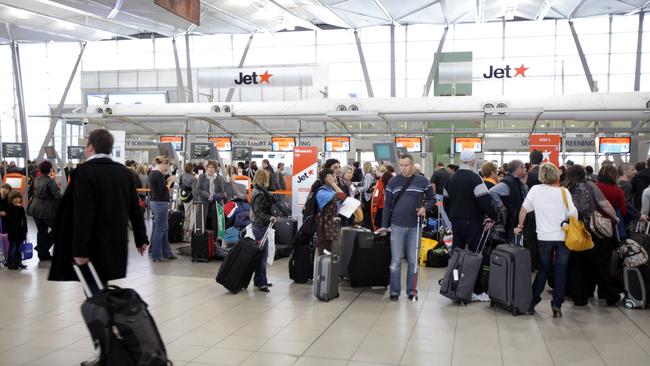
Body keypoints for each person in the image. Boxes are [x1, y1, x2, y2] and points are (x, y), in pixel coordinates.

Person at [49, 129, 149, 284]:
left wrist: (80, 250)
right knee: (101, 289)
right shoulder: (124, 173)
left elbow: (82, 214)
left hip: (92, 245)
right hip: (116, 243)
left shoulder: (83, 173)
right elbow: (135, 209)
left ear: (90, 148)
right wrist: (141, 238)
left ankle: (108, 308)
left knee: (95, 293)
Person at [514, 163, 577, 318]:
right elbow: (573, 214)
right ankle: (557, 305)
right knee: (561, 271)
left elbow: (523, 209)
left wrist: (519, 226)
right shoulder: (564, 192)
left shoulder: (535, 190)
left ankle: (533, 301)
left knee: (543, 268)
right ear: (556, 175)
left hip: (544, 237)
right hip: (563, 237)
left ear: (542, 176)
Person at [378, 154, 435, 302]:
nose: (403, 168)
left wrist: (425, 207)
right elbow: (386, 207)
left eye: (406, 165)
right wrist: (384, 226)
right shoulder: (393, 182)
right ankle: (394, 291)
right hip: (397, 226)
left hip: (415, 226)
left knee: (413, 261)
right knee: (396, 261)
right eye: (401, 165)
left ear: (412, 165)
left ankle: (411, 291)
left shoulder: (423, 181)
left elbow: (432, 198)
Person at [562, 165, 620, 307]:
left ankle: (579, 297)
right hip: (592, 230)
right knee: (598, 264)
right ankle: (610, 295)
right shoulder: (590, 186)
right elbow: (604, 204)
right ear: (583, 174)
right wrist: (615, 218)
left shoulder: (564, 189)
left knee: (576, 265)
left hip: (573, 231)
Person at [443, 151, 497, 253]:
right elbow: (485, 200)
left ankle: (456, 269)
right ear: (473, 161)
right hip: (473, 222)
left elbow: (445, 201)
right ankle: (474, 270)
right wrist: (493, 216)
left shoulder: (450, 179)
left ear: (460, 161)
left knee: (457, 252)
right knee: (475, 253)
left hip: (456, 220)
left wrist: (451, 216)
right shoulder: (475, 178)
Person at [27, 161, 62, 261]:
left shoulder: (35, 180)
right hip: (46, 211)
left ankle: (43, 255)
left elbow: (30, 193)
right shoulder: (50, 182)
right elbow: (57, 196)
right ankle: (42, 249)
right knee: (58, 229)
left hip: (34, 209)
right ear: (50, 170)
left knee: (41, 231)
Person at [489, 160, 528, 243]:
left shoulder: (516, 181)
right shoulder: (508, 182)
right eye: (523, 168)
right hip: (511, 220)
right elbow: (492, 191)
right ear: (518, 169)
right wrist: (501, 206)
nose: (525, 170)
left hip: (515, 218)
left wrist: (524, 184)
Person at [148, 156, 176, 262]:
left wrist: (166, 180)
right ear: (163, 163)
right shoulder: (158, 174)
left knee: (161, 228)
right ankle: (156, 255)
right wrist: (169, 182)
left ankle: (166, 253)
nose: (168, 167)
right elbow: (162, 191)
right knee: (160, 229)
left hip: (155, 202)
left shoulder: (152, 172)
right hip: (160, 203)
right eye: (167, 165)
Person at [251, 169, 274, 292]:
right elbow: (258, 211)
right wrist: (269, 217)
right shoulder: (260, 193)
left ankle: (258, 280)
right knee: (262, 256)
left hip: (259, 226)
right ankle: (262, 283)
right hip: (260, 226)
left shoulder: (257, 191)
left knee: (260, 255)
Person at [316, 168, 346, 255]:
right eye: (333, 176)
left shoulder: (330, 190)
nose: (336, 178)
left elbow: (343, 198)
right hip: (324, 230)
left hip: (331, 228)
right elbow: (342, 196)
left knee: (331, 255)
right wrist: (333, 183)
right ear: (327, 178)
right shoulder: (322, 192)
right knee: (324, 255)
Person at [596, 164, 627, 239]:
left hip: (594, 222)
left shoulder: (593, 186)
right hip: (610, 224)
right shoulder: (618, 190)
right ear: (615, 176)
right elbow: (623, 212)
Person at [194, 160, 226, 231]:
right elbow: (198, 190)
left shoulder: (219, 178)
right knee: (201, 224)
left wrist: (214, 196)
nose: (211, 169)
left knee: (215, 226)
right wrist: (208, 195)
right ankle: (201, 239)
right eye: (209, 167)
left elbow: (222, 193)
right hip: (203, 203)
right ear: (206, 168)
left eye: (213, 167)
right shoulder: (202, 177)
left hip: (216, 205)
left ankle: (215, 240)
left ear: (215, 169)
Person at [5, 190, 27, 270]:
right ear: (11, 199)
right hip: (13, 231)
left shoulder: (21, 208)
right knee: (13, 248)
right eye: (15, 198)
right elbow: (11, 219)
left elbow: (24, 220)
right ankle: (11, 263)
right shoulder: (9, 208)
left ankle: (19, 262)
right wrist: (16, 208)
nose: (17, 199)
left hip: (21, 232)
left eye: (18, 198)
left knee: (19, 248)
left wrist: (25, 230)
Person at [179, 162, 197, 242]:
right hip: (191, 198)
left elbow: (180, 186)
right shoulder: (193, 178)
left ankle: (183, 234)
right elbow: (194, 191)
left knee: (186, 215)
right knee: (192, 216)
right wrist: (196, 200)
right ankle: (189, 235)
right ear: (191, 169)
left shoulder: (182, 175)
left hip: (184, 197)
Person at [357, 162, 376, 229]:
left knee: (367, 213)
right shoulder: (370, 175)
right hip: (368, 196)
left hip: (367, 197)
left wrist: (357, 189)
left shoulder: (367, 175)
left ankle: (368, 227)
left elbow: (366, 187)